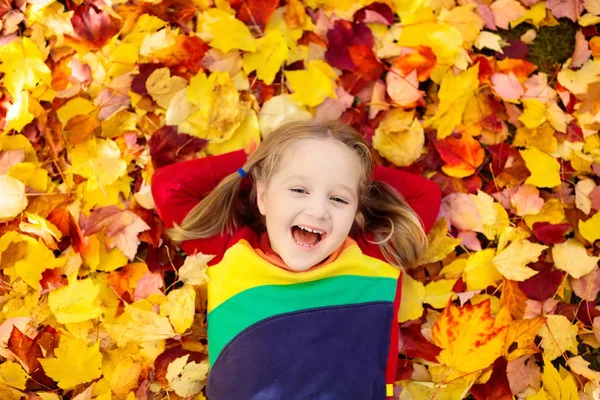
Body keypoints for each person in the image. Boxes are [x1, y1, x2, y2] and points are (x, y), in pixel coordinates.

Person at [151, 120, 442, 400]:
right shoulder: (229, 253)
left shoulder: (373, 257)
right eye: (299, 190)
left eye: (339, 199)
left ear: (356, 209)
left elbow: (425, 195)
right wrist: (254, 159)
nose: (317, 211)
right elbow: (169, 186)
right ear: (263, 197)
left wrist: (350, 165)